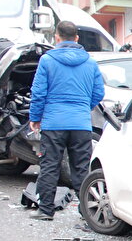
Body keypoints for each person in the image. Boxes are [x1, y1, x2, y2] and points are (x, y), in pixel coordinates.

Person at [27, 20, 105, 221]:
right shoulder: (90, 62)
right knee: (81, 168)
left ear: (57, 37)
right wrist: (83, 107)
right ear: (77, 38)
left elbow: (38, 92)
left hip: (53, 123)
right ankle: (86, 212)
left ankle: (46, 210)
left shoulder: (47, 60)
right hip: (81, 124)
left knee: (50, 166)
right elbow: (99, 93)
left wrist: (35, 117)